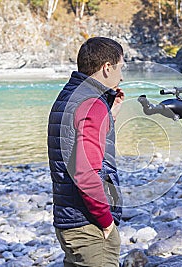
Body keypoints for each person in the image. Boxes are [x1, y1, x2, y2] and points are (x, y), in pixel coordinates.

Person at [47, 37, 124, 267]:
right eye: (120, 68)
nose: (122, 76)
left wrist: (109, 113)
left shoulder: (69, 96)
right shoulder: (92, 104)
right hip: (88, 225)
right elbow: (85, 173)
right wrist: (106, 222)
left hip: (68, 221)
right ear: (107, 68)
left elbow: (74, 140)